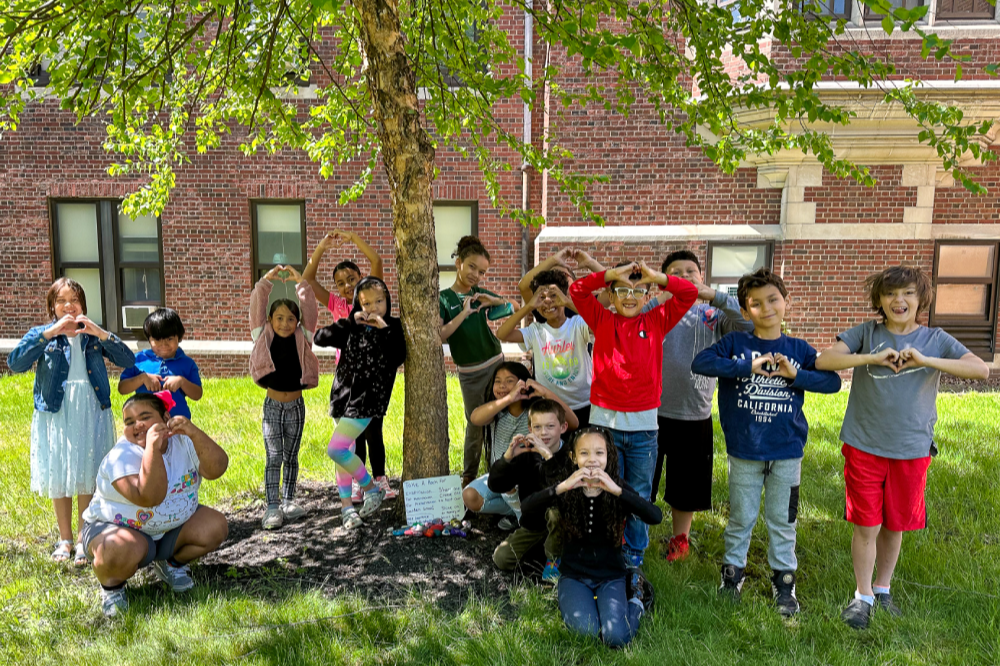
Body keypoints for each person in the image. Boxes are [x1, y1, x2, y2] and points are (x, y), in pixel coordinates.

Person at [813, 265, 989, 629]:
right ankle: (861, 597)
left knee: (895, 524)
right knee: (867, 523)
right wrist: (870, 357)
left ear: (921, 299)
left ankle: (883, 588)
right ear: (879, 300)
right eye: (891, 293)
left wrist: (925, 360)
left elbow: (980, 371)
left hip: (912, 447)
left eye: (908, 293)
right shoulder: (867, 333)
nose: (899, 300)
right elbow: (825, 360)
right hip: (864, 444)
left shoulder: (935, 339)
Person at [692, 267, 841, 617]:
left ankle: (784, 584)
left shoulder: (798, 349)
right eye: (756, 304)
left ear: (786, 302)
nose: (767, 308)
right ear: (745, 312)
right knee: (741, 517)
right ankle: (732, 577)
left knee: (782, 519)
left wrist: (796, 375)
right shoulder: (737, 344)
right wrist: (748, 367)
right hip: (745, 451)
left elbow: (832, 382)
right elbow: (702, 363)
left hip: (787, 452)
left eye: (773, 299)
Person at [568, 260, 698, 568]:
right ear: (611, 297)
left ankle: (633, 559)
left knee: (638, 494)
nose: (630, 296)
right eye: (622, 290)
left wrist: (657, 276)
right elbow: (577, 290)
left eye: (639, 291)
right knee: (603, 489)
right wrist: (610, 275)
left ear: (648, 296)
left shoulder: (656, 320)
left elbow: (689, 293)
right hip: (604, 429)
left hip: (643, 430)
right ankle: (606, 547)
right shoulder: (601, 319)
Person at [7, 278, 136, 566]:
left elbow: (128, 360)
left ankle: (82, 537)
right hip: (57, 410)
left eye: (75, 300)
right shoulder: (44, 335)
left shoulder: (90, 335)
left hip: (90, 406)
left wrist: (102, 333)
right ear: (52, 306)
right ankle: (64, 538)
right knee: (61, 473)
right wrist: (47, 334)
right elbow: (15, 363)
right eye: (62, 301)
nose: (69, 306)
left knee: (86, 470)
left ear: (83, 305)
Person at [641, 250, 753, 562]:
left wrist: (715, 297)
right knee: (643, 477)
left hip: (694, 413)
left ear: (702, 278)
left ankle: (681, 538)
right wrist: (664, 294)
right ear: (664, 281)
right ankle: (635, 533)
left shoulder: (713, 315)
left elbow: (747, 326)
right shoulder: (657, 310)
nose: (686, 276)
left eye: (692, 271)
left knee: (687, 482)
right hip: (649, 411)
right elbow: (635, 318)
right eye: (676, 272)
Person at [81, 392, 229, 617]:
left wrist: (193, 432)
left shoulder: (183, 442)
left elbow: (217, 468)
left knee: (215, 525)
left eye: (145, 416)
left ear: (166, 418)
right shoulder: (120, 456)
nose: (137, 425)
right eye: (129, 422)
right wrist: (151, 448)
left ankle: (171, 564)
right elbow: (149, 497)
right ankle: (112, 588)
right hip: (118, 531)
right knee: (118, 549)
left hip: (168, 530)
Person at [521, 427, 662, 648]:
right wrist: (564, 486)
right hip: (574, 576)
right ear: (573, 457)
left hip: (611, 576)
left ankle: (636, 599)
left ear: (609, 456)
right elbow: (527, 508)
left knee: (615, 637)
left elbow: (655, 516)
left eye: (599, 453)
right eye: (584, 453)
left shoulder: (616, 487)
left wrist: (617, 491)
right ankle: (581, 603)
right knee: (585, 634)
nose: (592, 460)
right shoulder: (567, 487)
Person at [303, 230, 394, 502]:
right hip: (347, 379)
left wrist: (353, 238)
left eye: (351, 280)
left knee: (373, 428)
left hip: (373, 378)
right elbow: (307, 280)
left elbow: (376, 261)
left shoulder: (370, 299)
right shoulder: (337, 304)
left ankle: (380, 478)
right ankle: (358, 481)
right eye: (340, 283)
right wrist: (321, 246)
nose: (346, 286)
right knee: (353, 436)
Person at [314, 276, 406, 530]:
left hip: (367, 402)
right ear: (358, 303)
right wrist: (349, 321)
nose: (373, 307)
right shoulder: (352, 325)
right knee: (346, 454)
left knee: (336, 449)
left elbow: (398, 356)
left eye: (379, 301)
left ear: (387, 300)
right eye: (366, 303)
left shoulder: (393, 327)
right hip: (341, 398)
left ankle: (370, 488)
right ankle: (347, 509)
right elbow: (320, 338)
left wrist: (382, 326)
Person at [438, 235, 515, 487]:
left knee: (503, 417)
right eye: (472, 267)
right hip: (469, 374)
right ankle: (469, 475)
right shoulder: (444, 299)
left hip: (496, 365)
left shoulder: (480, 294)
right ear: (458, 263)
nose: (476, 275)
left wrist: (496, 301)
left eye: (481, 272)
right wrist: (463, 313)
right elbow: (440, 334)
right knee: (475, 423)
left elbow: (515, 307)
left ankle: (500, 470)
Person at [463, 362, 579, 530]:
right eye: (498, 381)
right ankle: (513, 512)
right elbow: (475, 417)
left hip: (528, 479)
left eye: (510, 380)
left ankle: (523, 519)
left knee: (525, 506)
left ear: (523, 383)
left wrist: (545, 391)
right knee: (470, 495)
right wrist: (508, 398)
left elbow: (573, 422)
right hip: (501, 476)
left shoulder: (535, 412)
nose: (502, 385)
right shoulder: (496, 412)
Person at [249, 265, 320, 530]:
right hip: (273, 406)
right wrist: (266, 281)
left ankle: (289, 500)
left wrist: (301, 282)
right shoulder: (262, 335)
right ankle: (272, 506)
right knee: (274, 455)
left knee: (291, 454)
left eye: (290, 319)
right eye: (279, 318)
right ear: (269, 320)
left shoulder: (304, 337)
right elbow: (257, 304)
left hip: (296, 406)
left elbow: (310, 308)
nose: (285, 323)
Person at [497, 268, 594, 428]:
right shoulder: (536, 330)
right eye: (541, 298)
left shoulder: (577, 324)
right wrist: (529, 306)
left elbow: (600, 324)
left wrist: (569, 302)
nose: (548, 302)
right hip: (550, 407)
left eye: (554, 296)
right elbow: (502, 333)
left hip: (584, 404)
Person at [488, 399, 570, 581]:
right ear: (530, 429)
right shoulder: (526, 454)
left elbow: (566, 494)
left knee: (555, 513)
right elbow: (496, 485)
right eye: (537, 427)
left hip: (565, 524)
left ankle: (555, 559)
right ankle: (544, 552)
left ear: (563, 427)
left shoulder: (571, 454)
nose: (543, 433)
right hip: (533, 524)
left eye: (550, 426)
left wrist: (548, 456)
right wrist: (507, 458)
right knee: (501, 558)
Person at [118, 307, 203, 419]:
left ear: (180, 337)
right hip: (145, 424)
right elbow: (122, 389)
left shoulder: (187, 363)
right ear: (149, 339)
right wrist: (142, 378)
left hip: (178, 423)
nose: (164, 344)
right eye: (157, 340)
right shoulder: (139, 359)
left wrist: (182, 381)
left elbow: (197, 395)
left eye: (169, 339)